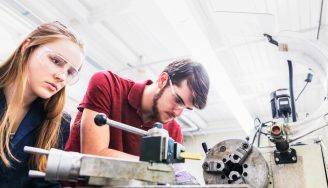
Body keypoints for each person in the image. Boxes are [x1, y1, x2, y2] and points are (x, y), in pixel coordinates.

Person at [66, 59, 209, 162]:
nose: (178, 113)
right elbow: (94, 156)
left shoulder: (173, 131)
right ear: (163, 80)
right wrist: (156, 167)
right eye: (178, 100)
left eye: (186, 108)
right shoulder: (107, 84)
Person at [0, 21, 85, 187]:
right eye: (55, 60)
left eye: (70, 72)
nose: (62, 76)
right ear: (27, 47)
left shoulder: (59, 124)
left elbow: (44, 183)